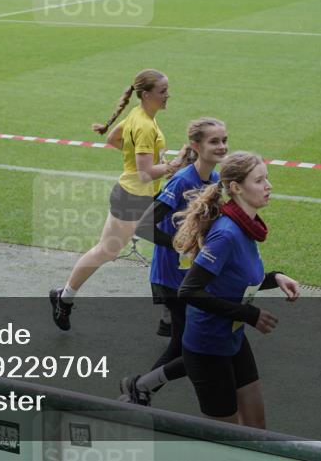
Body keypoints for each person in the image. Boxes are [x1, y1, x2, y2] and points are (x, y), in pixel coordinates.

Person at [49, 69, 185, 331]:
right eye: (163, 91)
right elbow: (145, 174)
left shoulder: (139, 115)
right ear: (146, 95)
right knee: (111, 250)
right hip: (133, 199)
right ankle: (63, 298)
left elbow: (113, 139)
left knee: (169, 244)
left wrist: (151, 162)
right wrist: (172, 166)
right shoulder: (144, 124)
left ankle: (170, 315)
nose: (168, 95)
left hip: (140, 196)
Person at [174, 152, 300, 427]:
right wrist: (249, 314)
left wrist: (275, 277)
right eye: (259, 180)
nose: (269, 186)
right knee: (226, 441)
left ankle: (149, 380)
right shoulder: (227, 234)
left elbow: (237, 279)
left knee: (256, 429)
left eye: (266, 178)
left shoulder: (245, 227)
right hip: (207, 347)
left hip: (232, 337)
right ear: (236, 188)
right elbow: (189, 291)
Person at [119, 118, 228, 406]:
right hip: (171, 276)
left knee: (184, 342)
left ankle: (141, 389)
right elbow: (143, 226)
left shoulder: (215, 180)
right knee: (184, 346)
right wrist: (179, 245)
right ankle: (138, 389)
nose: (222, 146)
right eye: (214, 141)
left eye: (224, 140)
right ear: (196, 146)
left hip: (192, 276)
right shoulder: (182, 181)